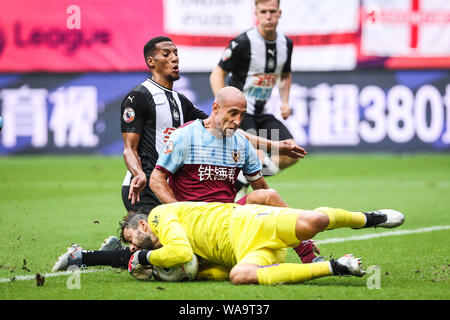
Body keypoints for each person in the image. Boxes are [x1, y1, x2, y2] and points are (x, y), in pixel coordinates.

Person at [52, 36, 312, 272]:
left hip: (167, 183)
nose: (174, 58)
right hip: (142, 187)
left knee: (179, 251)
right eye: (166, 54)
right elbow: (128, 148)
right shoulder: (138, 97)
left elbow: (224, 127)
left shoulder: (180, 101)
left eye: (176, 53)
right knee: (160, 251)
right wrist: (138, 173)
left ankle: (117, 250)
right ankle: (83, 257)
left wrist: (275, 146)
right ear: (151, 62)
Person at [123, 202, 405, 284]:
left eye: (131, 240)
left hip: (247, 221)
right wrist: (191, 272)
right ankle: (336, 267)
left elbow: (180, 251)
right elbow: (213, 267)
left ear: (143, 225)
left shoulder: (160, 215)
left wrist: (144, 260)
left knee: (313, 223)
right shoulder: (170, 251)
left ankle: (368, 217)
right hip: (249, 251)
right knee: (239, 275)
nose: (134, 247)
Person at [210, 0, 297, 179]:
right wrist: (222, 106)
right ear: (256, 14)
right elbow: (217, 73)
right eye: (263, 12)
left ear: (279, 13)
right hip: (240, 114)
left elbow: (286, 74)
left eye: (272, 11)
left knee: (291, 150)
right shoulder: (243, 42)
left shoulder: (285, 44)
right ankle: (243, 186)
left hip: (261, 113)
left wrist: (285, 101)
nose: (268, 16)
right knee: (254, 156)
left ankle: (241, 182)